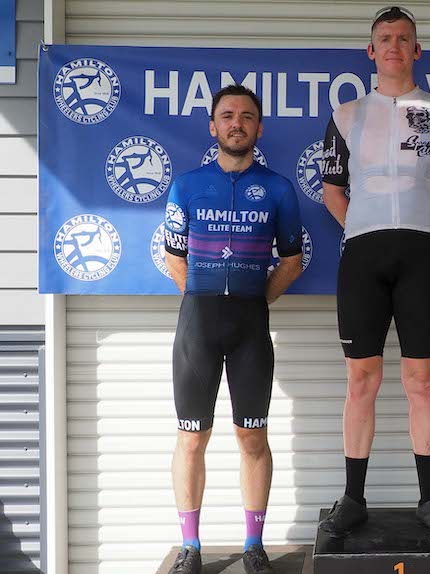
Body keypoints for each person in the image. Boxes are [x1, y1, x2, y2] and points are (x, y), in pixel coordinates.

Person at [318, 5, 430, 539]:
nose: (394, 47)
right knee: (361, 379)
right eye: (385, 38)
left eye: (404, 39)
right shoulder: (345, 115)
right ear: (371, 50)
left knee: (420, 381)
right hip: (362, 256)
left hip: (420, 255)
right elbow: (331, 189)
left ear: (416, 50)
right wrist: (366, 229)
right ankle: (353, 498)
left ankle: (428, 499)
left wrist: (420, 231)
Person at [162, 84, 304, 574]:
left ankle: (254, 545)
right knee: (191, 440)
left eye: (246, 116)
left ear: (259, 128)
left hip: (250, 327)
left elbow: (292, 261)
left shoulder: (279, 189)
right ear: (213, 126)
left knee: (252, 438)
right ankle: (190, 547)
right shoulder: (186, 186)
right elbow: (174, 257)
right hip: (197, 327)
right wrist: (204, 297)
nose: (236, 123)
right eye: (227, 115)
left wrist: (253, 300)